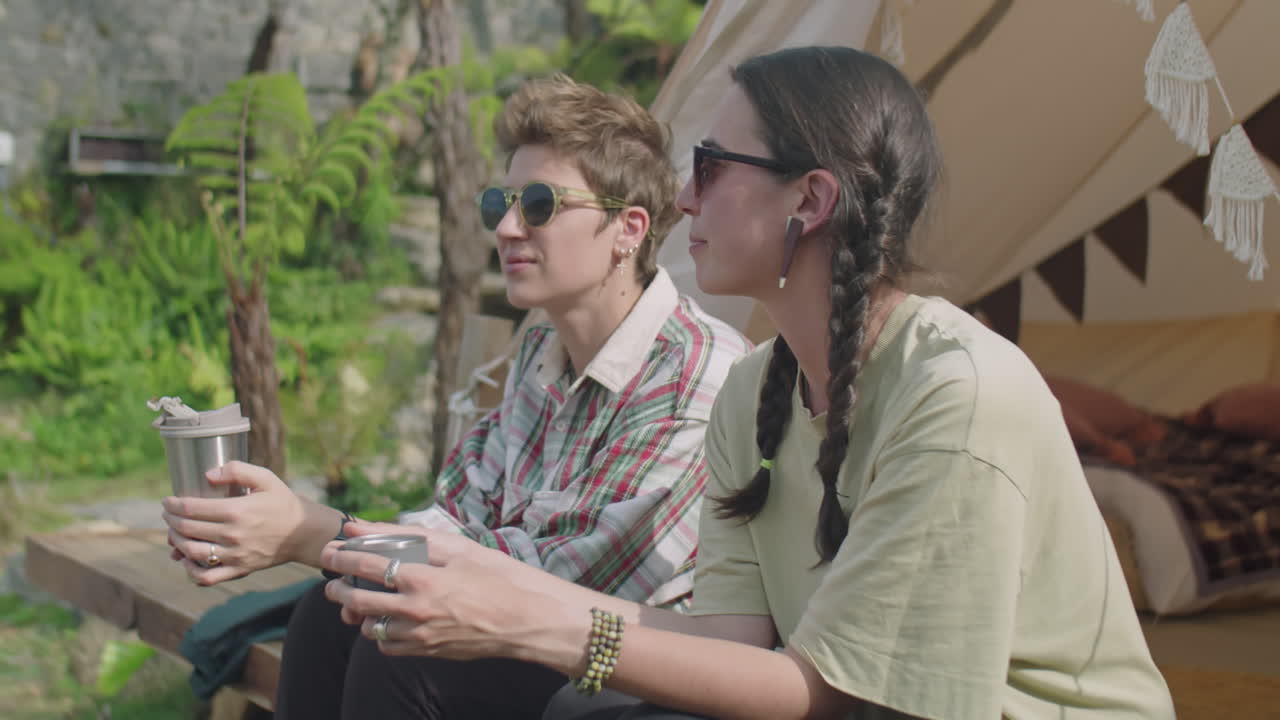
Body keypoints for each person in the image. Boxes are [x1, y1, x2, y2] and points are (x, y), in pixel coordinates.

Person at [320, 46, 1176, 719]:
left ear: (808, 200)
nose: (685, 199)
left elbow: (821, 687)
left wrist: (532, 624)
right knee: (421, 659)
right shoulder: (757, 391)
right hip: (833, 700)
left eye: (713, 165)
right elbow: (733, 640)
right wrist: (490, 597)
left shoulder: (957, 394)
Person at [161, 74, 751, 718]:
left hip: (636, 664)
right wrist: (326, 543)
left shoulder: (697, 370)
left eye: (540, 203)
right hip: (533, 633)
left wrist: (315, 533)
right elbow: (462, 515)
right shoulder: (541, 352)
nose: (507, 227)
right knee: (328, 616)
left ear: (628, 229)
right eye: (499, 204)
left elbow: (561, 580)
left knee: (404, 654)